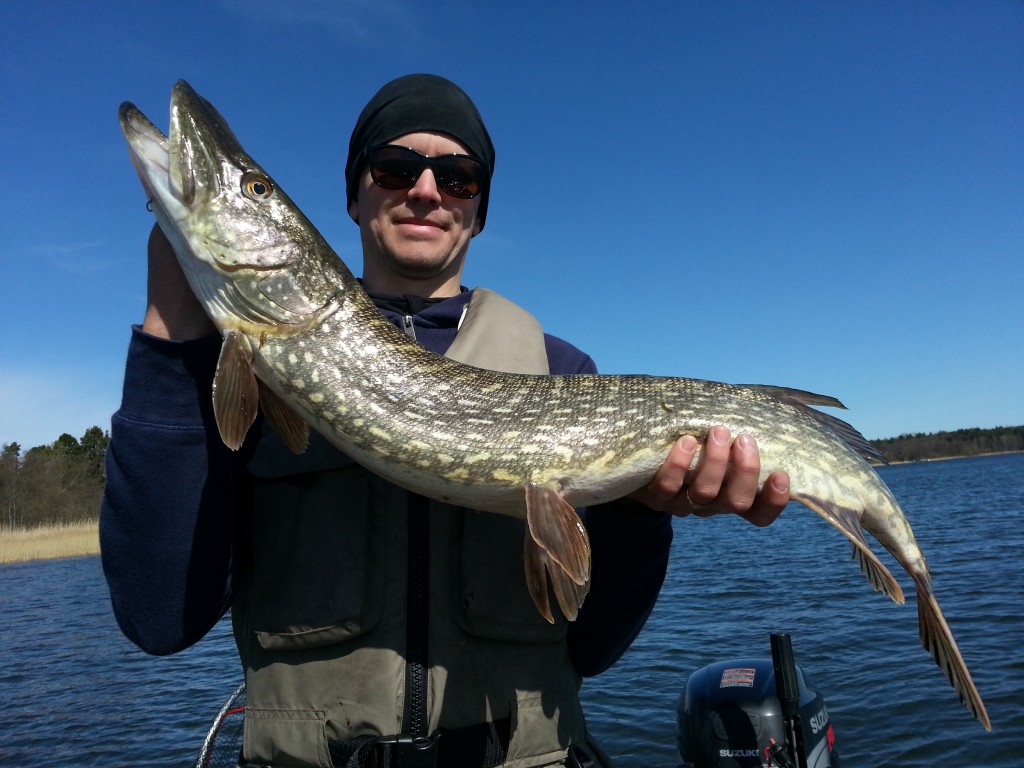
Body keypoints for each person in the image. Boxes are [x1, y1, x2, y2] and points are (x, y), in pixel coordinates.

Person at [101, 74, 789, 768]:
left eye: (458, 178)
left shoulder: (561, 372)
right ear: (353, 193)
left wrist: (640, 512)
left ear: (479, 210)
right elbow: (159, 619)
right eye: (394, 168)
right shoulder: (235, 375)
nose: (425, 191)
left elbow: (593, 647)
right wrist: (171, 332)